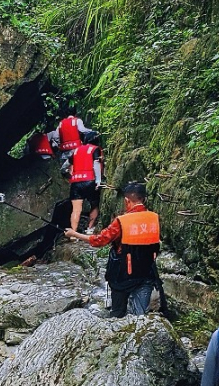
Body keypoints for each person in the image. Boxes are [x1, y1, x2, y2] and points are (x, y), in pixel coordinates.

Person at [64, 180, 159, 315]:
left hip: (123, 277)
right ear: (143, 199)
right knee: (141, 318)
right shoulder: (154, 218)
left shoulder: (121, 221)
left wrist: (74, 234)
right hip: (147, 273)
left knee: (117, 315)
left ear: (127, 200)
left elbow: (99, 240)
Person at [66, 135, 102, 233]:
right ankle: (90, 228)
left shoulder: (75, 151)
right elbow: (96, 164)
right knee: (94, 205)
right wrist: (98, 180)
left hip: (76, 182)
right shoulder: (95, 149)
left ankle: (73, 233)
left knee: (76, 209)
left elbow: (70, 166)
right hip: (90, 180)